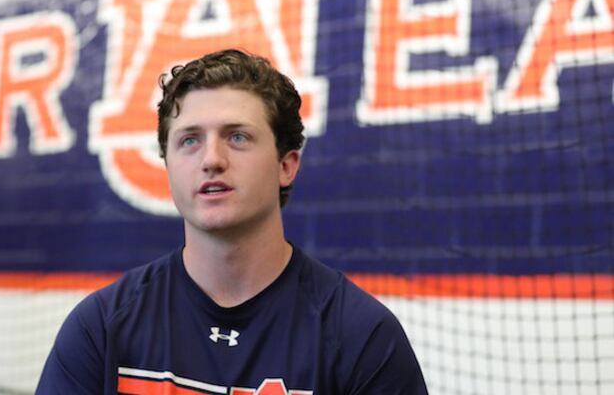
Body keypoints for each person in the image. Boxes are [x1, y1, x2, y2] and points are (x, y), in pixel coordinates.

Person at [36, 49, 428, 394]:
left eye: (237, 137)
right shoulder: (101, 328)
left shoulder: (361, 336)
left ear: (286, 165)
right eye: (189, 140)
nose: (211, 159)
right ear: (168, 165)